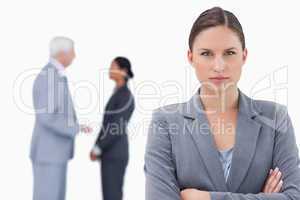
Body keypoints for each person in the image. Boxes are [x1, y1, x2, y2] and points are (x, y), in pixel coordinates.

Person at [144, 7, 300, 200]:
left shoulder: (275, 117)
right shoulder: (165, 122)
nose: (219, 66)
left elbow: (294, 197)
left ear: (244, 56)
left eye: (229, 52)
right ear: (190, 57)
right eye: (207, 54)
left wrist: (206, 198)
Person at [30, 36, 92, 200]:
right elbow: (47, 116)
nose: (74, 56)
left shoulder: (55, 75)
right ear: (62, 53)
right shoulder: (49, 77)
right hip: (49, 152)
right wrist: (74, 127)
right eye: (73, 51)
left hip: (54, 152)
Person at [90, 57, 135, 200]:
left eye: (113, 66)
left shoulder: (125, 96)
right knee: (110, 195)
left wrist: (98, 147)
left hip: (114, 154)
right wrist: (97, 145)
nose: (110, 69)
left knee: (112, 195)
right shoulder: (117, 93)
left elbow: (116, 126)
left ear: (123, 71)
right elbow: (106, 124)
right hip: (110, 153)